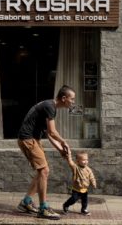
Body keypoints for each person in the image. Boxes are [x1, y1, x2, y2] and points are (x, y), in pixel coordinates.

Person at [17, 85, 76, 220]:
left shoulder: (49, 106)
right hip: (28, 139)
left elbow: (48, 135)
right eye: (72, 99)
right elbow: (53, 132)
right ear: (64, 98)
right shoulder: (50, 106)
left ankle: (26, 202)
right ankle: (43, 209)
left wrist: (60, 149)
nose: (73, 102)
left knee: (42, 171)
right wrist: (64, 142)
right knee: (44, 171)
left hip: (33, 139)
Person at [62, 150, 97, 216]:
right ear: (78, 161)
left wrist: (93, 182)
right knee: (73, 199)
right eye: (83, 160)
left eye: (86, 160)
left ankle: (83, 209)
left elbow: (92, 177)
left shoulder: (88, 169)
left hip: (85, 189)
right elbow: (71, 163)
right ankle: (66, 205)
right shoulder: (76, 168)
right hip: (76, 189)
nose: (85, 161)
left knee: (85, 201)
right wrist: (69, 156)